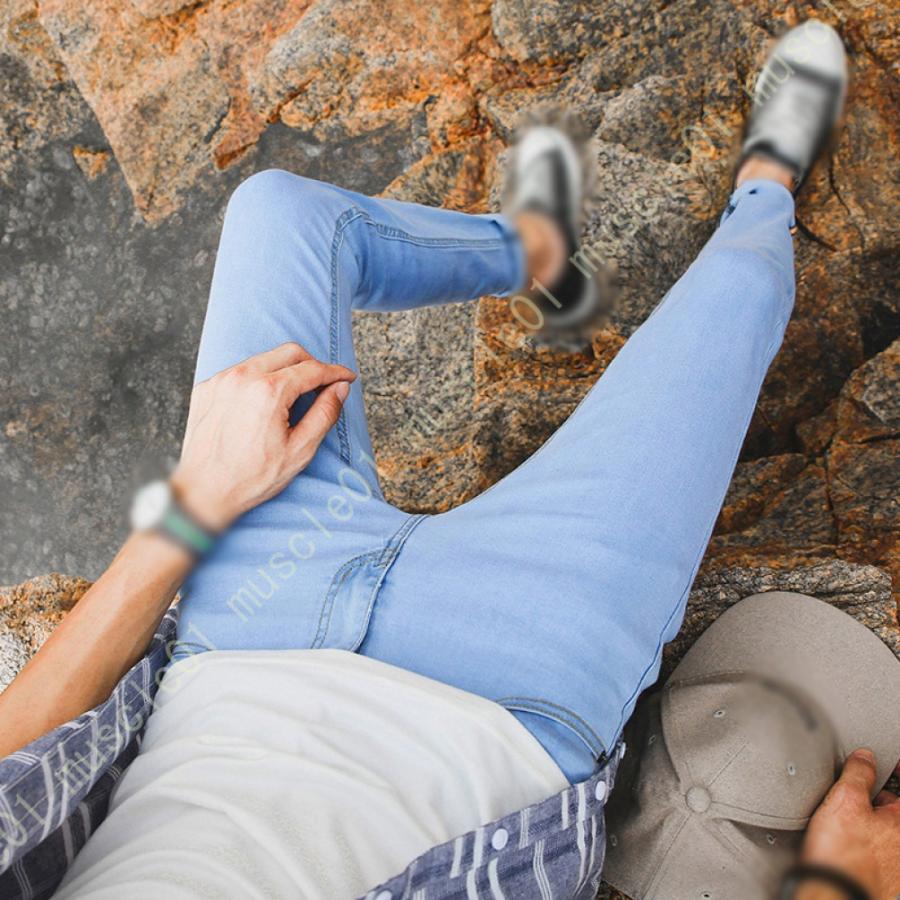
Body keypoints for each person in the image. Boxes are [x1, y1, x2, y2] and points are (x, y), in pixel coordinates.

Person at [0, 18, 896, 900]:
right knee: (739, 298)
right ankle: (766, 184)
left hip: (247, 632)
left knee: (281, 212)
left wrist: (193, 505)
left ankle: (529, 248)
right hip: (509, 705)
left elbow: (12, 781)